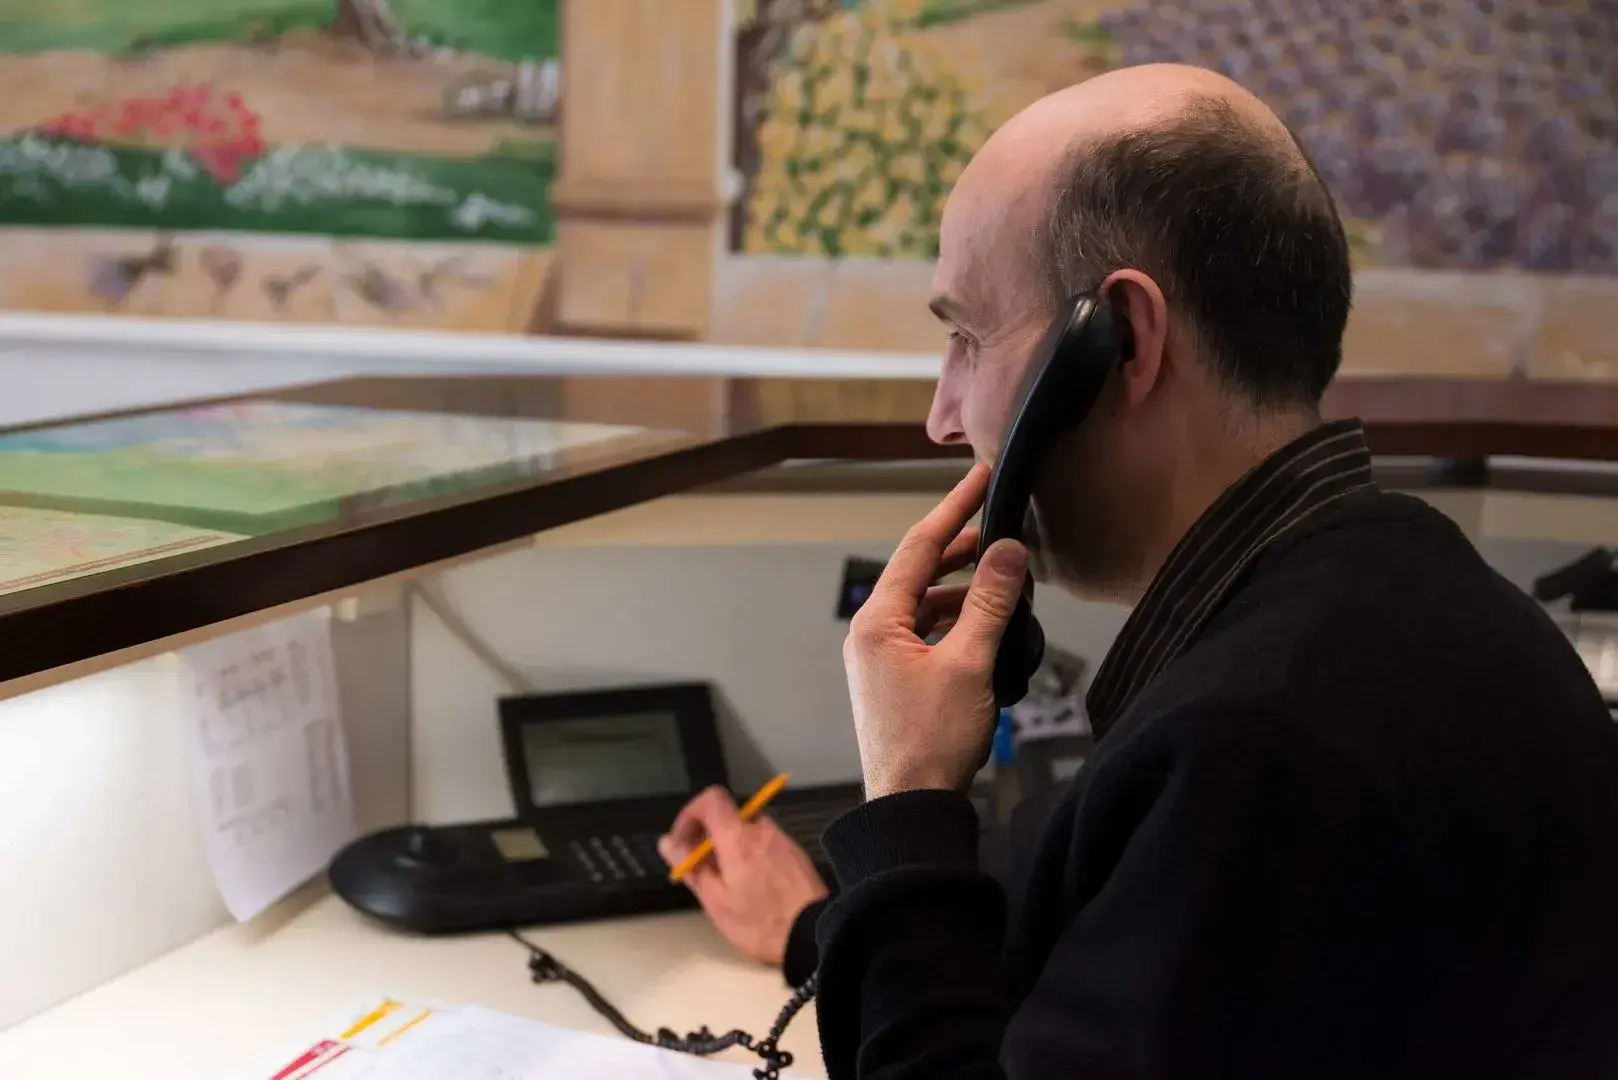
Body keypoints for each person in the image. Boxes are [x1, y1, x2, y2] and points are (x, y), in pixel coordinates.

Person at [659, 62, 1618, 1077]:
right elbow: (1093, 919)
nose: (943, 414)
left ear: (1121, 344)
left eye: (965, 339)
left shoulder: (1258, 740)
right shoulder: (1403, 599)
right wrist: (824, 927)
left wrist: (907, 791)